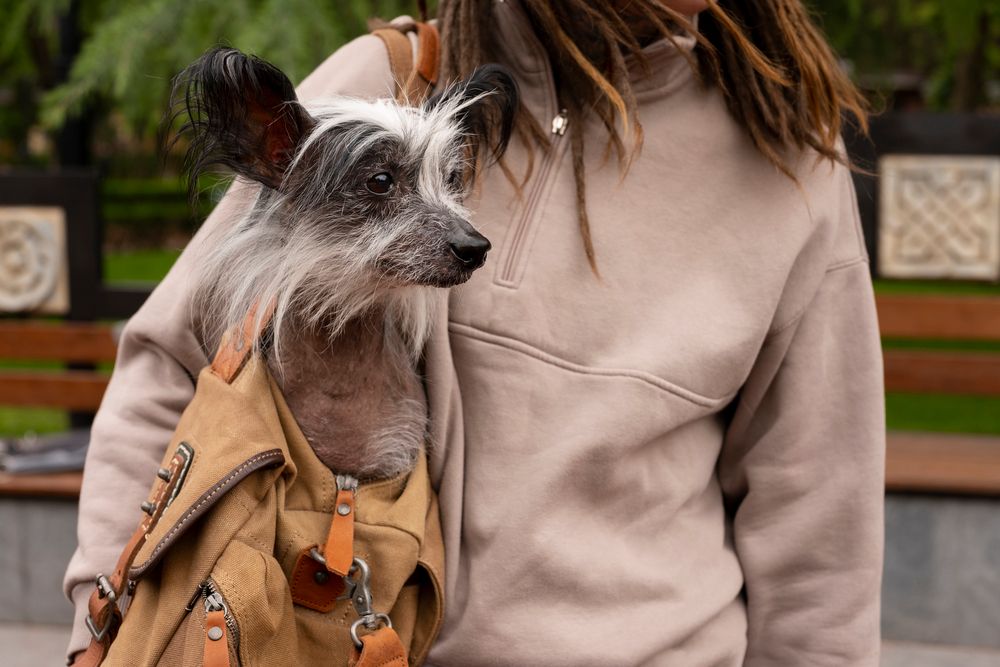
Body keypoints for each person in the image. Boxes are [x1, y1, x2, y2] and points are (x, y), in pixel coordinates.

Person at [64, 0, 885, 664]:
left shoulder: (788, 162)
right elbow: (169, 369)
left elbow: (821, 533)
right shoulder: (387, 87)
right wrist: (102, 633)